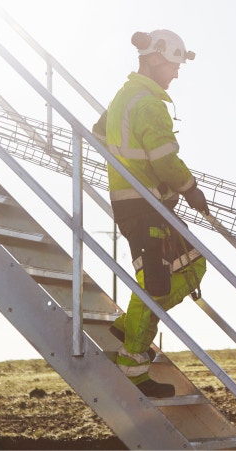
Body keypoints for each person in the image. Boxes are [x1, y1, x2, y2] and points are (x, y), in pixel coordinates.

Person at [94, 29, 209, 398]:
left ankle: (127, 326)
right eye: (174, 66)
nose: (176, 74)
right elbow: (165, 161)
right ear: (156, 59)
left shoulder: (124, 97)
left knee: (193, 265)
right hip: (144, 207)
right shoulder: (148, 104)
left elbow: (99, 132)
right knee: (157, 286)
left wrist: (128, 169)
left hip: (142, 203)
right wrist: (191, 190)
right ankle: (132, 366)